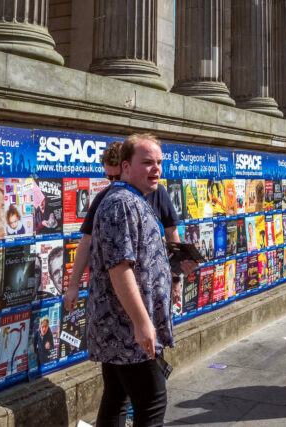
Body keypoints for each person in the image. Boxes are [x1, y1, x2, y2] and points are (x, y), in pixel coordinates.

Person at [88, 134, 173, 427]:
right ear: (125, 166)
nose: (156, 169)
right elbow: (119, 268)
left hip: (121, 330)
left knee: (116, 397)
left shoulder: (135, 199)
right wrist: (141, 322)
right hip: (125, 331)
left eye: (159, 162)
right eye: (147, 162)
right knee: (152, 402)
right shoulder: (122, 203)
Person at [65, 142, 193, 313]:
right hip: (114, 300)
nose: (113, 183)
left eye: (116, 177)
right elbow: (87, 241)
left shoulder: (157, 192)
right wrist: (73, 286)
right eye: (108, 177)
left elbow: (172, 234)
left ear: (127, 168)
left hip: (152, 292)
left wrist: (176, 280)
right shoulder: (105, 197)